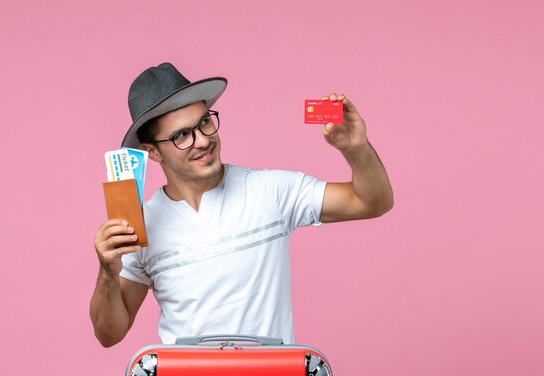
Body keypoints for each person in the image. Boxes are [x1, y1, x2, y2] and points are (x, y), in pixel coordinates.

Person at [90, 62, 393, 347]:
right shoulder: (141, 226)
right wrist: (107, 271)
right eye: (182, 135)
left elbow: (372, 201)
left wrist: (357, 149)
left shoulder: (271, 191)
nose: (202, 141)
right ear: (152, 152)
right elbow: (110, 334)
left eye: (205, 122)